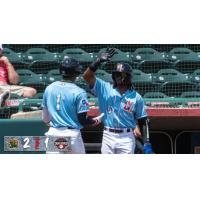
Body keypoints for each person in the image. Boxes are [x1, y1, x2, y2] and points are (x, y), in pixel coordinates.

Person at [83, 48, 149, 154]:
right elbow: (87, 76)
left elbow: (143, 121)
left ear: (128, 76)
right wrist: (98, 61)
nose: (118, 77)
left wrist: (147, 142)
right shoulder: (105, 88)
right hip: (108, 134)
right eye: (116, 74)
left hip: (126, 137)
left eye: (121, 74)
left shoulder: (136, 97)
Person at [42, 57, 100, 154]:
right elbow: (82, 120)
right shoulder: (79, 92)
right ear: (76, 72)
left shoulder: (49, 88)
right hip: (72, 134)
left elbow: (45, 119)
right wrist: (93, 121)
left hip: (54, 133)